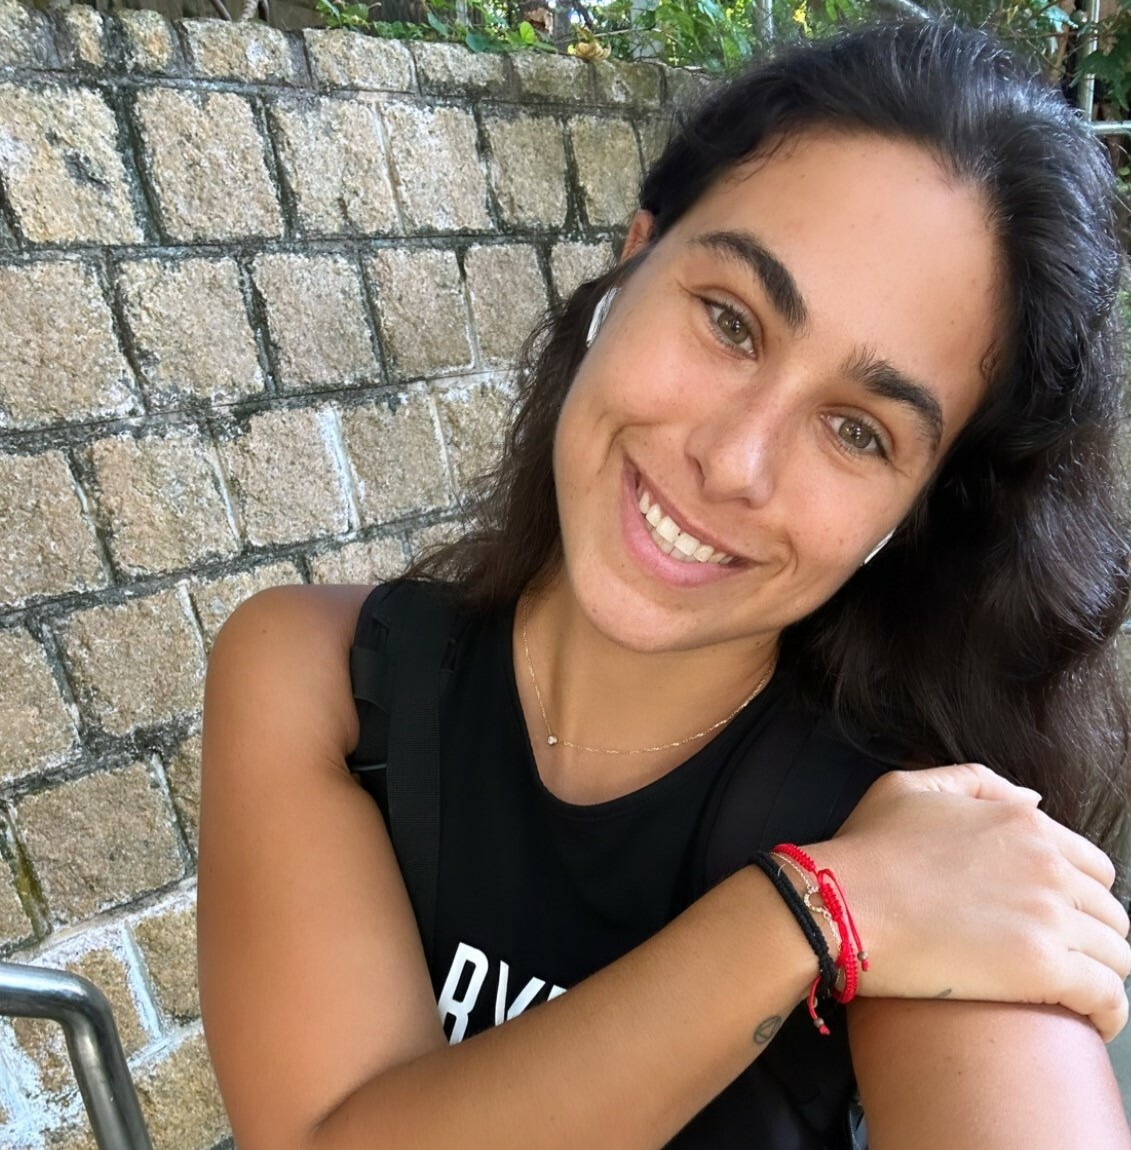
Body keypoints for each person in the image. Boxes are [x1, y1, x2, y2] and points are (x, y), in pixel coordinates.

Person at [197, 18, 1131, 1150]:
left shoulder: (922, 838)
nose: (732, 463)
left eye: (857, 430)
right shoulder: (327, 678)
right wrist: (818, 915)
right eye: (731, 321)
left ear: (913, 510)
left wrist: (873, 888)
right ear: (632, 262)